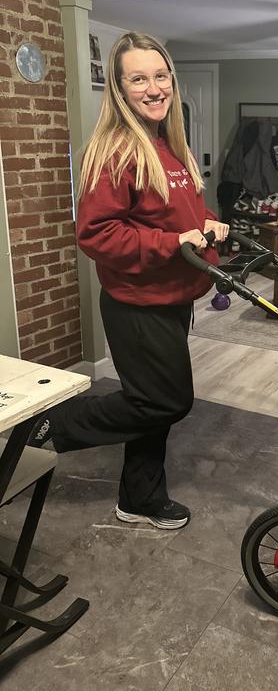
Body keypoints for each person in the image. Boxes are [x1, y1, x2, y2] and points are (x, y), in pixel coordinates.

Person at [26, 32, 229, 529]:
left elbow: (174, 214)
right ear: (119, 88)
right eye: (138, 79)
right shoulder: (116, 151)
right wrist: (174, 242)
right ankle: (49, 425)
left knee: (150, 403)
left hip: (173, 294)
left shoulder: (168, 145)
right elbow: (96, 234)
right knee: (164, 401)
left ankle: (140, 497)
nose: (154, 88)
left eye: (160, 76)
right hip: (138, 303)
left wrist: (206, 222)